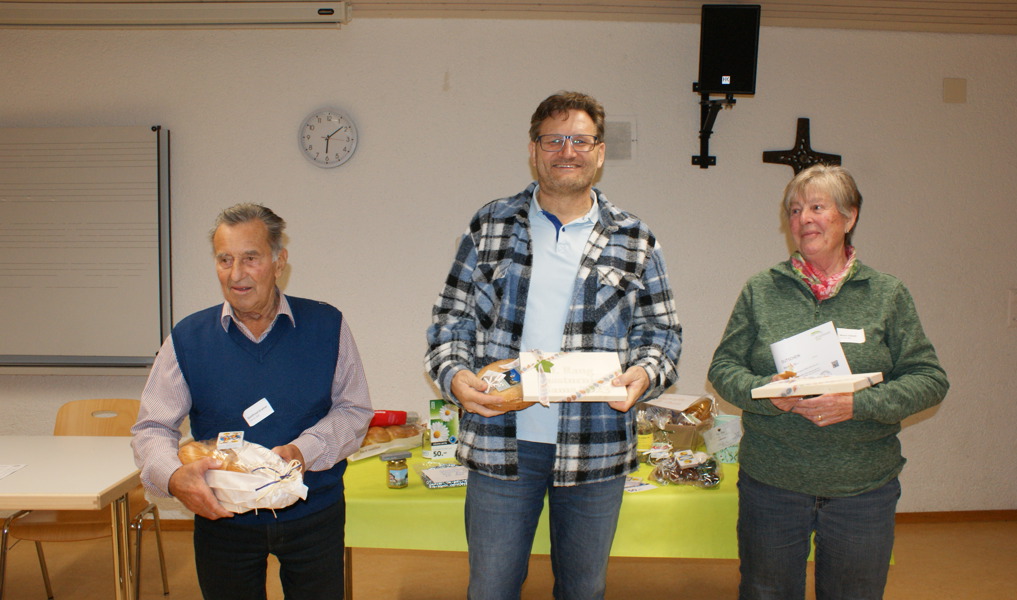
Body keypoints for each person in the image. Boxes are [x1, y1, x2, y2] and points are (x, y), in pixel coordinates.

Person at [424, 91, 682, 600]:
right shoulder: (490, 225)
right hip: (501, 440)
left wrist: (646, 373)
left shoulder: (635, 238)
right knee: (491, 589)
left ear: (600, 152)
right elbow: (451, 319)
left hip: (596, 444)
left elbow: (662, 333)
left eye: (581, 140)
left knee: (583, 590)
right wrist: (455, 375)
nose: (567, 151)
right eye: (553, 139)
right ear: (533, 150)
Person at [707, 164, 949, 600]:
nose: (804, 219)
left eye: (817, 207)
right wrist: (767, 395)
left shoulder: (887, 294)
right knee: (766, 592)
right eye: (795, 210)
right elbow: (724, 368)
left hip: (863, 488)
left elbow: (930, 379)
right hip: (773, 483)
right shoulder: (761, 290)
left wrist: (859, 404)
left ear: (849, 216)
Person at [131, 203, 373, 600]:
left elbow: (354, 409)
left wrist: (303, 451)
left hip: (313, 512)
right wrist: (174, 477)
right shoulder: (188, 338)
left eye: (250, 258)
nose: (236, 274)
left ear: (279, 262)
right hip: (223, 518)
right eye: (224, 259)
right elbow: (152, 427)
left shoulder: (327, 325)